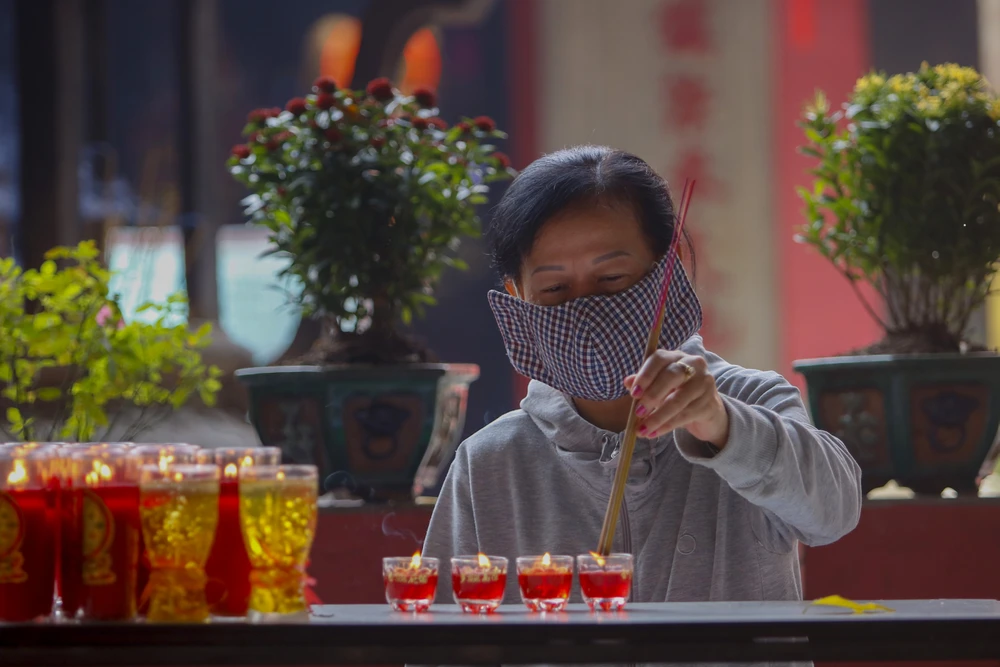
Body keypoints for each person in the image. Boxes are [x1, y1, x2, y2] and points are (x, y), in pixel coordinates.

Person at [423, 145, 862, 606]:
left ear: (667, 270)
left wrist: (724, 428)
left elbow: (834, 514)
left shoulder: (751, 400)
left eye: (612, 279)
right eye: (554, 288)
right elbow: (441, 631)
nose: (586, 311)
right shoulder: (491, 462)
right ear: (517, 296)